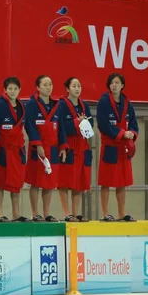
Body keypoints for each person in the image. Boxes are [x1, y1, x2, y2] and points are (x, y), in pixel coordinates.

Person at [25, 76, 68, 222]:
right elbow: (29, 125)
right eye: (45, 85)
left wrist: (63, 146)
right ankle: (35, 213)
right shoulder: (31, 104)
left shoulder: (57, 105)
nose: (48, 87)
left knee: (49, 184)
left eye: (50, 84)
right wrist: (37, 144)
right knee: (35, 182)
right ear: (37, 87)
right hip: (37, 149)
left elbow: (61, 126)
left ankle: (46, 213)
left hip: (53, 149)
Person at [97, 73, 139, 222]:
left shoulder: (128, 103)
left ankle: (122, 213)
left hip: (123, 148)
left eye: (117, 82)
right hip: (110, 146)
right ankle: (105, 213)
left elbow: (134, 125)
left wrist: (131, 134)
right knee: (106, 182)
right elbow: (103, 125)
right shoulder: (103, 102)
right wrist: (122, 133)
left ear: (122, 86)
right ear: (109, 86)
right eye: (111, 83)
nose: (114, 85)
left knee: (122, 182)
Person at [58, 77, 93, 222]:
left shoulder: (84, 105)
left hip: (82, 145)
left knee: (78, 182)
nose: (77, 88)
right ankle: (67, 213)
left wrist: (85, 122)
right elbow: (60, 126)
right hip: (68, 145)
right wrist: (75, 122)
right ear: (67, 89)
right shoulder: (61, 105)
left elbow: (91, 123)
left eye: (79, 86)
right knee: (65, 181)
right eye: (74, 86)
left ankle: (75, 212)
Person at [0, 77, 28, 222]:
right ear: (5, 90)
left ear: (19, 90)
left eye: (15, 89)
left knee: (17, 184)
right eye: (10, 89)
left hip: (17, 150)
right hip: (3, 149)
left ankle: (16, 213)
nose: (13, 91)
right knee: (0, 182)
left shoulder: (21, 106)